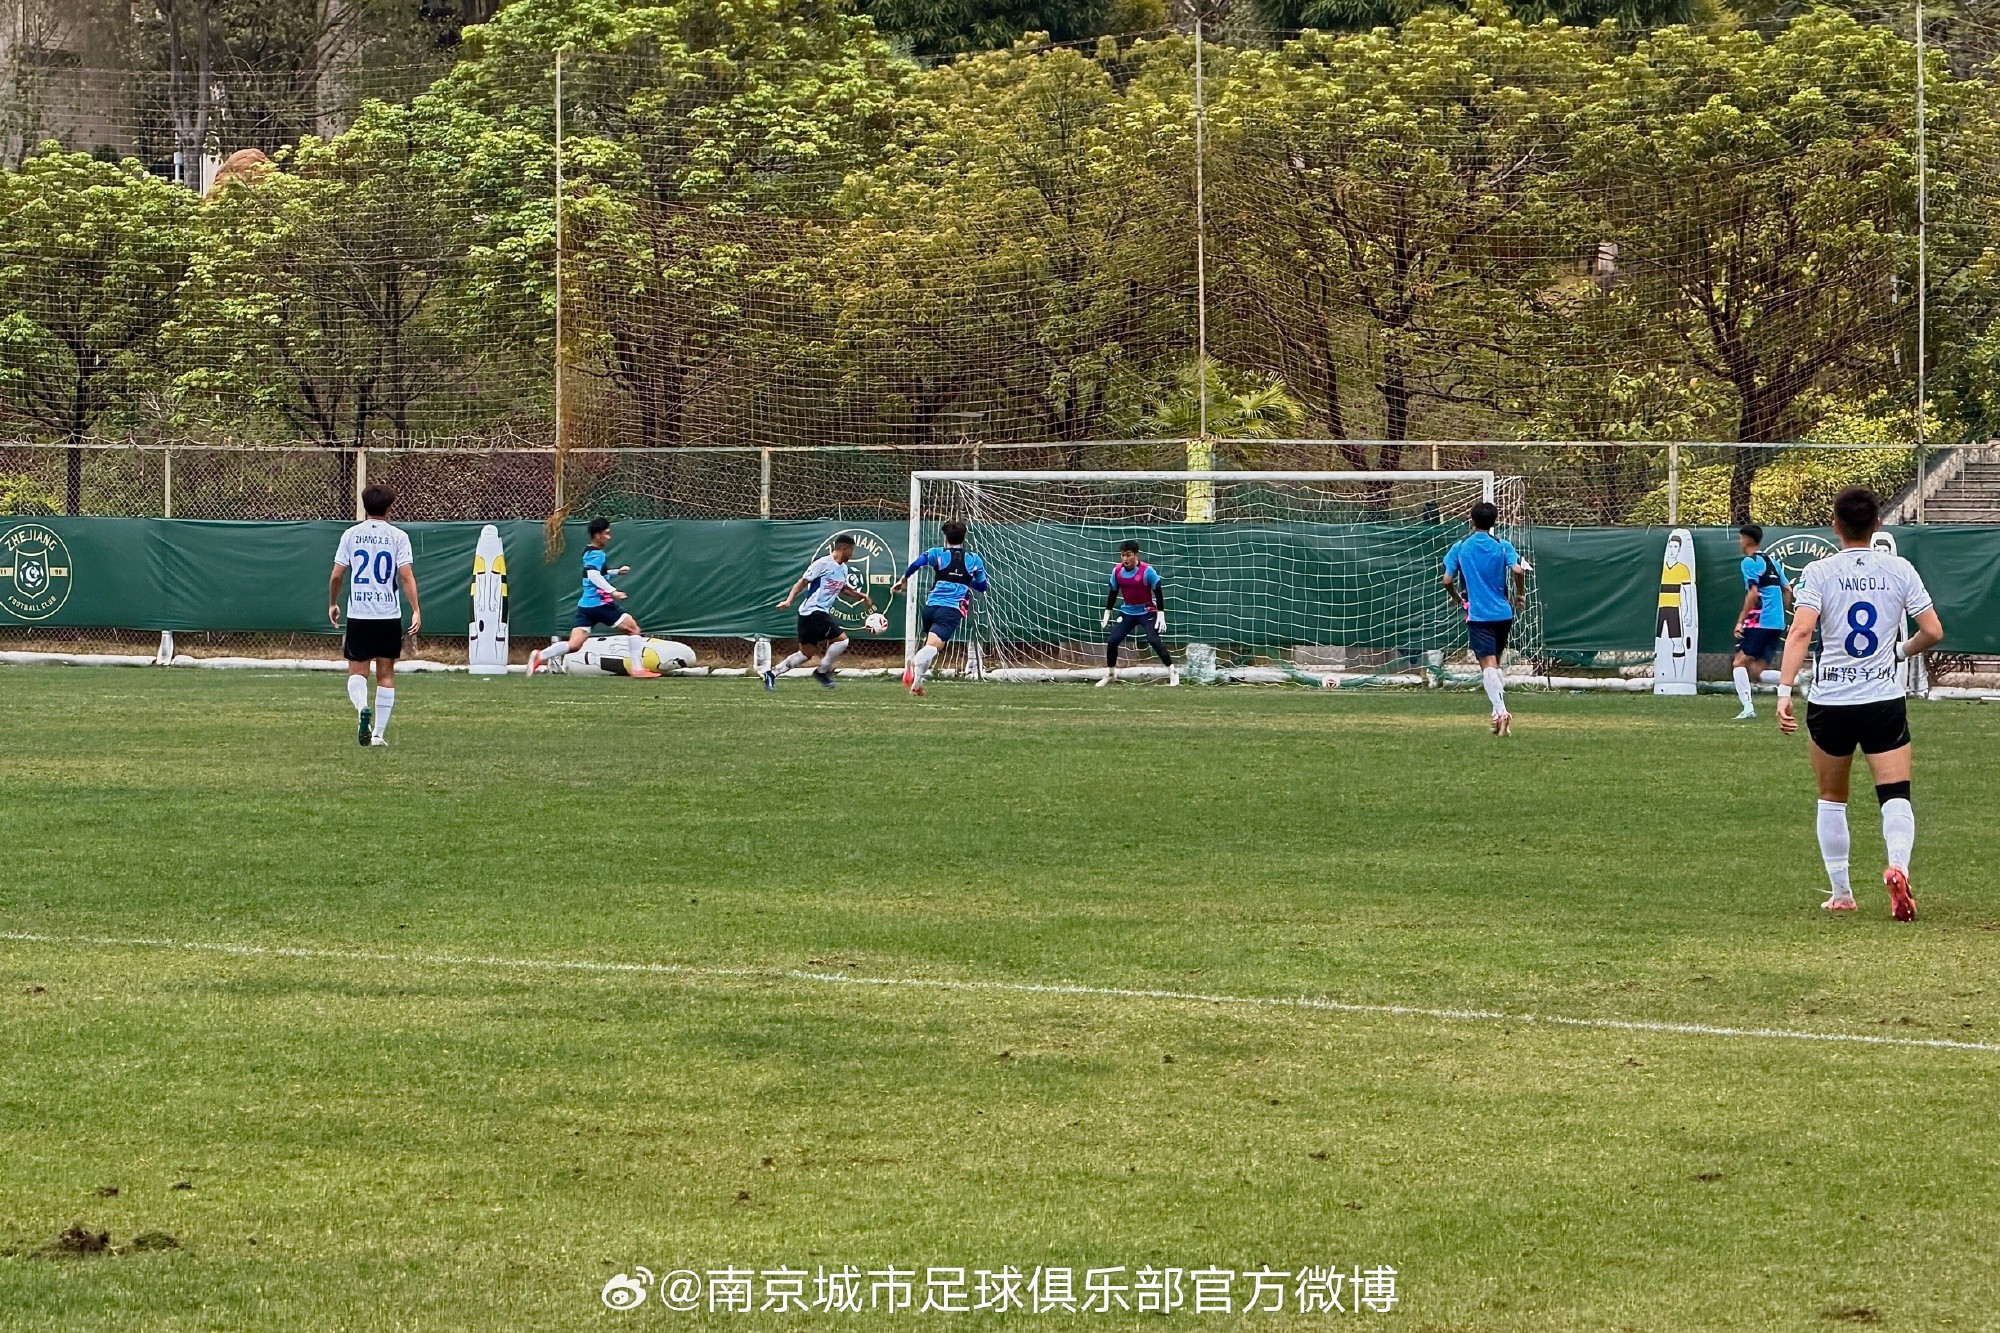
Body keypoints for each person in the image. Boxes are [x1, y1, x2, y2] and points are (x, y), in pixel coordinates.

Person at [1777, 488, 1942, 920]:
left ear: (1835, 526)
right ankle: (1898, 867)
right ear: (1878, 524)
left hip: (1830, 700)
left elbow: (1801, 632)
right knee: (1895, 794)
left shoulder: (1819, 571)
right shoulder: (1899, 569)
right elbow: (1933, 631)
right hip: (1882, 699)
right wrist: (1899, 652)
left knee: (1832, 797)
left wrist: (1784, 690)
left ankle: (1842, 893)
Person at [328, 484, 421, 747]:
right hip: (388, 614)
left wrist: (333, 603)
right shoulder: (398, 536)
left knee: (357, 672)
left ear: (364, 506)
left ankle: (362, 709)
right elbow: (406, 576)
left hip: (359, 614)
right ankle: (378, 734)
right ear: (390, 507)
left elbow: (336, 575)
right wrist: (416, 609)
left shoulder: (350, 535)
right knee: (386, 675)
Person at [528, 518, 657, 679]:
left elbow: (597, 572)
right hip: (601, 604)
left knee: (574, 645)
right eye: (606, 534)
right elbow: (593, 575)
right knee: (633, 629)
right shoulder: (598, 554)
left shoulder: (589, 552)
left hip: (586, 606)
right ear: (597, 535)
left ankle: (540, 655)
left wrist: (617, 572)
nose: (609, 537)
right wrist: (613, 591)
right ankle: (638, 669)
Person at [1441, 501, 1529, 735]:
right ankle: (1496, 716)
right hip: (1503, 614)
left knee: (1487, 665)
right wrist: (1519, 594)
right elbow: (1518, 570)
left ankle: (1501, 711)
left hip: (1479, 615)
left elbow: (1447, 580)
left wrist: (1457, 598)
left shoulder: (1461, 547)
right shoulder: (1502, 545)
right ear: (1494, 522)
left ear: (1471, 520)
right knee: (1495, 663)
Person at [890, 520, 989, 697]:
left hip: (930, 607)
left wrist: (902, 581)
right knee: (933, 648)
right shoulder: (974, 559)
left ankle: (917, 684)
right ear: (964, 538)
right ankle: (914, 662)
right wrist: (965, 580)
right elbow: (982, 586)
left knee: (930, 645)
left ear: (946, 538)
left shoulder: (937, 553)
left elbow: (916, 564)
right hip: (950, 610)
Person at [771, 534, 878, 690]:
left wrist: (862, 596)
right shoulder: (822, 563)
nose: (852, 554)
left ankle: (772, 673)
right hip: (813, 612)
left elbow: (843, 589)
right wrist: (789, 600)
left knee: (805, 654)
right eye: (852, 550)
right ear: (844, 548)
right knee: (842, 641)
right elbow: (802, 582)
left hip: (812, 616)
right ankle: (821, 672)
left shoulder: (843, 568)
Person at [1730, 523, 1793, 720]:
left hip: (1760, 621)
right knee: (1758, 670)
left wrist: (1741, 621)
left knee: (1739, 662)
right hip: (1776, 622)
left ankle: (1748, 708)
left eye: (1741, 538)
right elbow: (1788, 590)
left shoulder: (1749, 562)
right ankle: (1800, 679)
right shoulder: (1773, 561)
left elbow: (1753, 593)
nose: (1740, 542)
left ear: (1747, 539)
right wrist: (1780, 612)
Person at [1097, 540, 1176, 687]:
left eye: (1128, 555)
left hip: (1147, 611)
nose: (1125, 559)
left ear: (1135, 555)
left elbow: (1158, 591)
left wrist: (1161, 614)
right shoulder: (1117, 571)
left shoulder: (1147, 571)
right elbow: (1113, 592)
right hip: (1127, 612)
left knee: (1154, 640)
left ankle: (1172, 671)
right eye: (1123, 555)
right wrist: (1107, 612)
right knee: (1112, 641)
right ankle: (1111, 674)